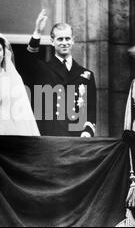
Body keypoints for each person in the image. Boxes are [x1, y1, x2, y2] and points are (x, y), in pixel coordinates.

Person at [26, 9, 97, 137]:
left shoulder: (86, 75)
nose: (64, 43)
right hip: (49, 135)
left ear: (73, 41)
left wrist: (88, 130)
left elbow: (91, 108)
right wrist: (37, 32)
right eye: (60, 39)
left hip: (76, 136)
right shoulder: (42, 69)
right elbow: (28, 61)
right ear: (52, 41)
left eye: (67, 38)